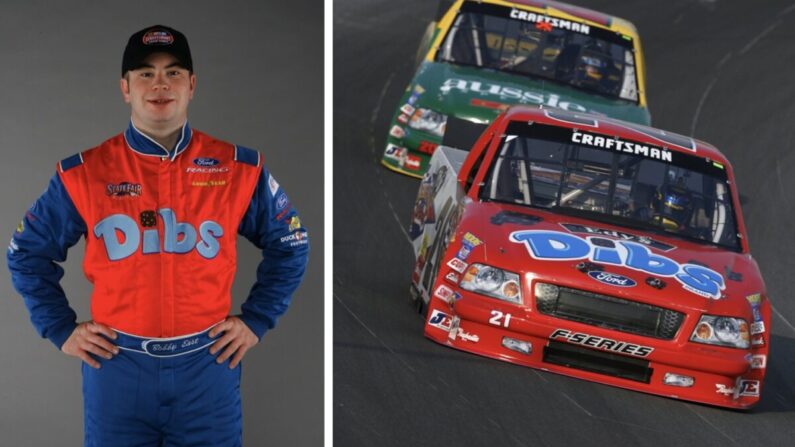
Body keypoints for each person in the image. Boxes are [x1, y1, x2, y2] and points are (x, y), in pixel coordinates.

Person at [7, 24, 309, 446]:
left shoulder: (239, 168)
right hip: (117, 368)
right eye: (145, 73)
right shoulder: (84, 173)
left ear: (192, 85)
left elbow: (291, 244)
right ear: (125, 88)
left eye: (174, 72)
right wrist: (60, 328)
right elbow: (25, 253)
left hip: (207, 368)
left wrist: (257, 319)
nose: (160, 84)